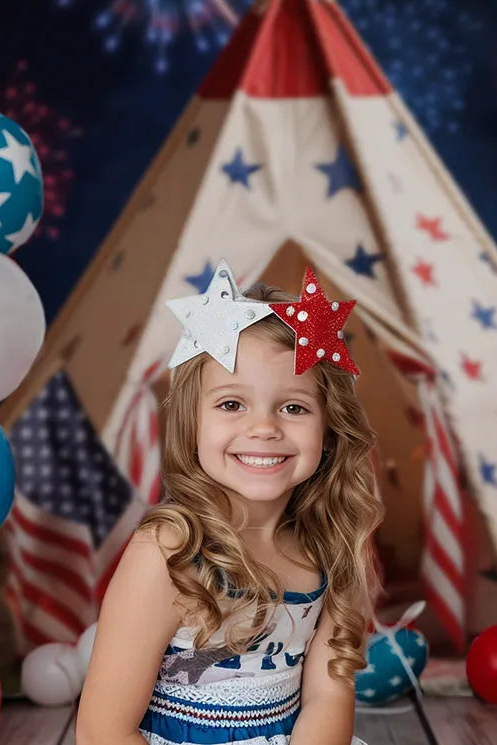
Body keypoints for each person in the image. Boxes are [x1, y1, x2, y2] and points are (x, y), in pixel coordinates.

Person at [76, 264, 383, 745]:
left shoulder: (328, 547)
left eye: (294, 407)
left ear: (328, 430)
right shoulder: (170, 552)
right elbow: (102, 731)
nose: (264, 428)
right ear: (192, 424)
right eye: (232, 404)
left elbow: (327, 698)